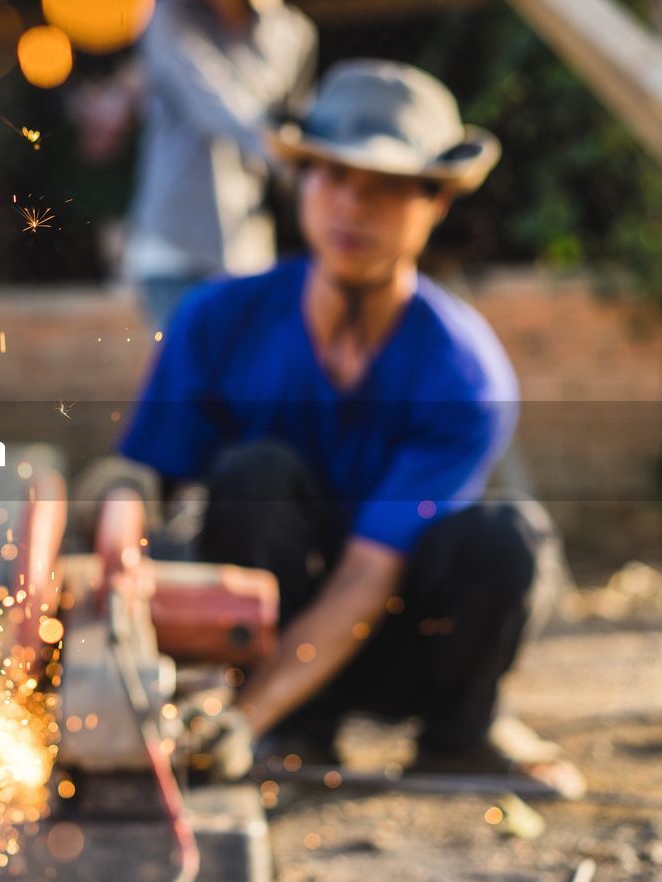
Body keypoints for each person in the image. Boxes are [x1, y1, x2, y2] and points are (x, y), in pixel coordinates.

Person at [119, 60, 585, 796]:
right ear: (301, 181)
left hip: (399, 643)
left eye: (386, 187)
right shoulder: (216, 319)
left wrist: (242, 713)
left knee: (506, 537)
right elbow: (145, 476)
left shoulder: (464, 373)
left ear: (434, 202)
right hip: (261, 632)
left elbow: (370, 576)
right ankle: (291, 733)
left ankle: (460, 733)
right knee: (254, 476)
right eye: (332, 176)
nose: (351, 206)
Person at [124, 0, 317, 328]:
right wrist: (295, 157)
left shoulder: (293, 33)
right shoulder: (168, 15)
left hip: (248, 250)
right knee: (192, 376)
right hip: (174, 250)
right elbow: (212, 104)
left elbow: (299, 123)